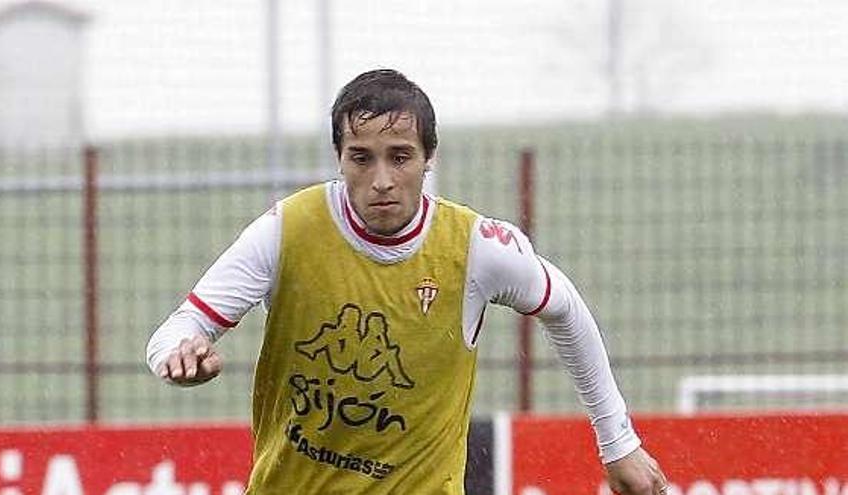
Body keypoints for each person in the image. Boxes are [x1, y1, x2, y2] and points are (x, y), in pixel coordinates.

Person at [146, 69, 669, 495]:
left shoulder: (477, 247)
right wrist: (179, 357)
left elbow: (567, 310)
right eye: (361, 158)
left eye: (400, 156)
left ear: (428, 158)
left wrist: (617, 441)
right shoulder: (288, 231)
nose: (381, 180)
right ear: (338, 157)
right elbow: (176, 330)